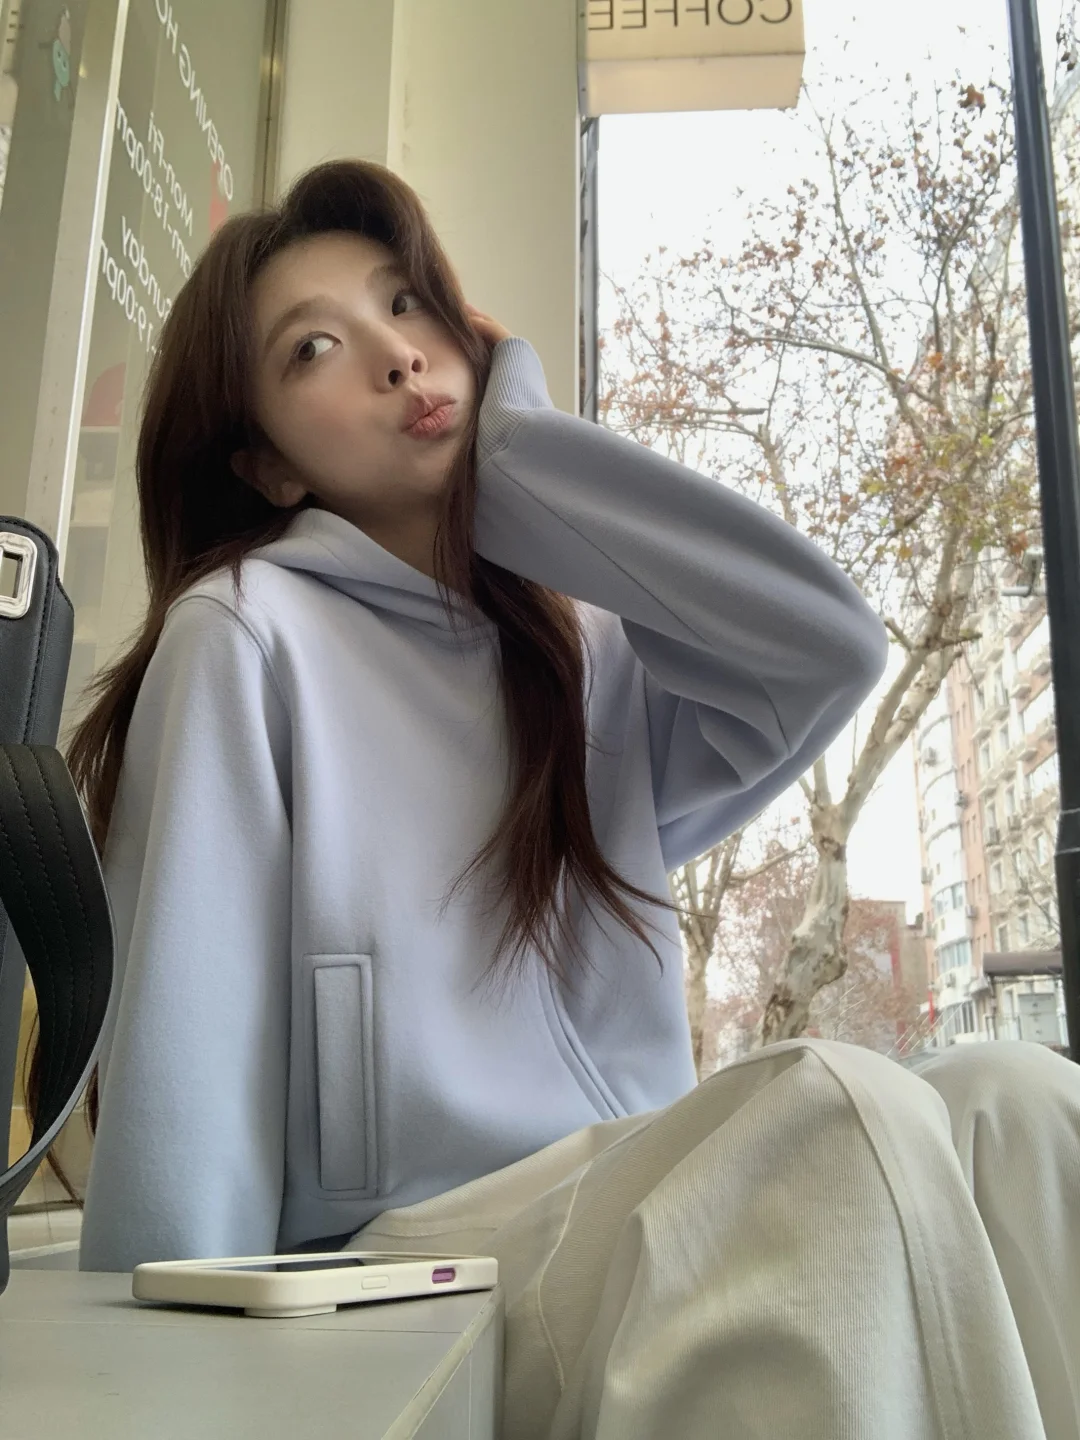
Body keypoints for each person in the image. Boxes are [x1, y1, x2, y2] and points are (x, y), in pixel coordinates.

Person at [55, 160, 1077, 1439]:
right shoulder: (246, 634)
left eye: (408, 304)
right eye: (316, 347)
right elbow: (187, 1054)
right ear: (265, 463)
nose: (397, 357)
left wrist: (524, 460)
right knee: (829, 1113)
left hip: (625, 1202)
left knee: (1020, 1098)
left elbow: (827, 650)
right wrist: (158, 1381)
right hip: (414, 1253)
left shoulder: (581, 645)